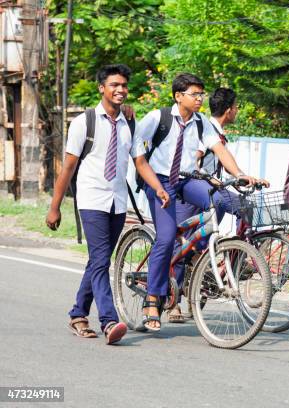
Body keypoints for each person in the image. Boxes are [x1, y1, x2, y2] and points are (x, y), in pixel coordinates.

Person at [46, 64, 170, 345]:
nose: (120, 90)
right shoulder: (84, 122)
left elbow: (140, 162)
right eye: (114, 85)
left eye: (124, 85)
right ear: (102, 88)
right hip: (91, 199)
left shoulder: (130, 124)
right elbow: (67, 168)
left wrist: (159, 188)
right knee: (102, 262)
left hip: (117, 203)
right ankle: (109, 320)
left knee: (98, 261)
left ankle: (78, 313)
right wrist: (54, 207)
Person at [134, 73, 260, 331]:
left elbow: (220, 150)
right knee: (166, 238)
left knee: (221, 198)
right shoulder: (158, 118)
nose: (200, 99)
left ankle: (194, 247)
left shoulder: (202, 122)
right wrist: (156, 186)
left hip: (187, 180)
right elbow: (137, 153)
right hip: (159, 181)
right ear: (178, 96)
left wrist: (239, 175)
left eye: (202, 94)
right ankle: (151, 298)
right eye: (195, 94)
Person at [169, 87, 268, 323]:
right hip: (192, 190)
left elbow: (224, 158)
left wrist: (243, 176)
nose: (237, 111)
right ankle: (173, 304)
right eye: (236, 107)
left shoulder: (217, 132)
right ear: (229, 109)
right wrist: (208, 178)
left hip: (211, 192)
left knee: (245, 207)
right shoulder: (206, 127)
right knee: (182, 246)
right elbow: (195, 160)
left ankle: (232, 258)